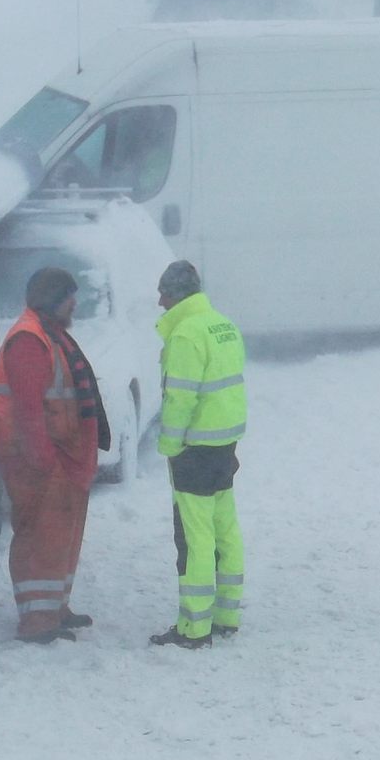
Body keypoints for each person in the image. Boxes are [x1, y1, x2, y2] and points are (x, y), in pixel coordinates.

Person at [0, 266, 109, 644]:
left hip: (61, 458)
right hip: (41, 461)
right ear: (51, 299)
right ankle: (37, 621)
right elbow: (28, 411)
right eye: (68, 296)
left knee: (59, 537)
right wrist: (43, 461)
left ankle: (54, 608)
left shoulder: (49, 335)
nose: (74, 303)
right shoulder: (29, 340)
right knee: (41, 537)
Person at [149, 260, 247, 650]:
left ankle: (194, 627)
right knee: (226, 531)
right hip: (225, 445)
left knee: (195, 538)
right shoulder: (222, 325)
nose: (159, 301)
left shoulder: (186, 334)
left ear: (178, 294)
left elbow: (180, 398)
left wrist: (170, 447)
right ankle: (226, 615)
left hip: (195, 449)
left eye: (164, 293)